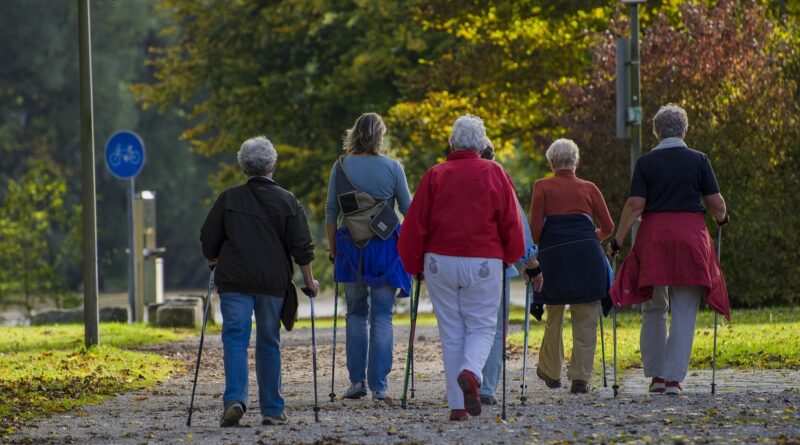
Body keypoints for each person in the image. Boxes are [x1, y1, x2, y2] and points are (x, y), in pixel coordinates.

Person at [398, 114, 525, 421]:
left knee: (451, 331)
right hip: (484, 259)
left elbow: (415, 224)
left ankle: (457, 406)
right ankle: (471, 371)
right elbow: (511, 221)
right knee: (482, 326)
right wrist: (512, 255)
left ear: (452, 143)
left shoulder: (435, 174)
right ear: (482, 144)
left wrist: (413, 264)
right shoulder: (495, 172)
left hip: (439, 261)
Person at [609, 103, 730, 395]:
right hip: (690, 238)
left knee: (654, 306)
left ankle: (657, 376)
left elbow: (635, 206)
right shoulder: (699, 159)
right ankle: (674, 379)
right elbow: (716, 204)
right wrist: (722, 218)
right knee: (685, 309)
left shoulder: (646, 162)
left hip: (654, 239)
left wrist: (618, 240)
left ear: (656, 132)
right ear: (684, 130)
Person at [200, 136, 319, 427]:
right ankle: (273, 409)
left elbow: (208, 236)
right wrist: (309, 281)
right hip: (272, 283)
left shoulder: (229, 198)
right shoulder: (288, 200)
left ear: (244, 168)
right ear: (272, 166)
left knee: (235, 338)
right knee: (269, 341)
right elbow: (302, 246)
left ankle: (235, 399)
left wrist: (212, 258)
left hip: (234, 280)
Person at [325, 112, 412, 401]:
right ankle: (380, 386)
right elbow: (408, 210)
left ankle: (356, 381)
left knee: (355, 312)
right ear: (379, 137)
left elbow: (331, 211)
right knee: (383, 315)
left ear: (354, 134)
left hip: (350, 246)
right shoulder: (393, 167)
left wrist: (333, 250)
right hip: (385, 247)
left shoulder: (340, 167)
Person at [528, 138, 615, 394]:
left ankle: (551, 372)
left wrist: (532, 253)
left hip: (554, 259)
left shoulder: (542, 186)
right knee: (586, 318)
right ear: (575, 161)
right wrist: (591, 238)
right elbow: (609, 227)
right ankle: (580, 378)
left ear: (552, 163)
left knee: (554, 316)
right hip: (587, 258)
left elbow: (535, 230)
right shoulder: (589, 188)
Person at [477, 141, 540, 406]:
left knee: (464, 327)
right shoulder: (499, 179)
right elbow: (518, 224)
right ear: (492, 157)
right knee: (494, 327)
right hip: (495, 265)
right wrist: (531, 263)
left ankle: (466, 380)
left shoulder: (447, 176)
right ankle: (486, 387)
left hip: (454, 264)